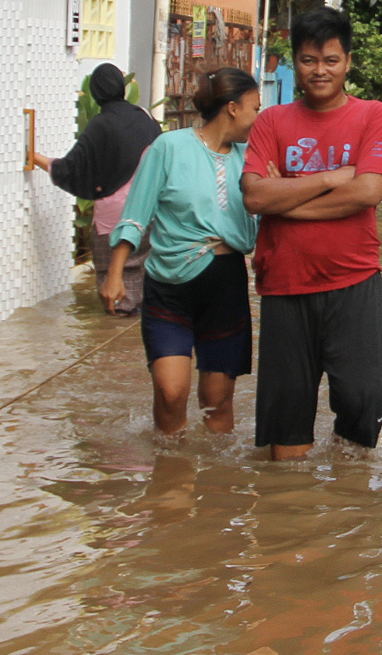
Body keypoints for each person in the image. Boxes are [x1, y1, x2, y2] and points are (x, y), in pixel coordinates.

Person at [241, 7, 382, 458]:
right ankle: (292, 503)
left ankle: (345, 498)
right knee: (286, 430)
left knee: (362, 406)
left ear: (348, 62)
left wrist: (286, 201)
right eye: (308, 60)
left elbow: (367, 191)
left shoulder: (374, 116)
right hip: (284, 283)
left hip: (354, 280)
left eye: (330, 60)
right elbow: (254, 196)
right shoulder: (271, 121)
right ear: (295, 63)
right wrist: (331, 177)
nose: (319, 70)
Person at [101, 68, 259, 436]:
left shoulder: (250, 159)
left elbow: (265, 219)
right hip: (169, 288)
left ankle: (212, 470)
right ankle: (169, 466)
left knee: (217, 402)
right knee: (171, 393)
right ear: (233, 108)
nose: (258, 117)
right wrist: (114, 275)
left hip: (226, 290)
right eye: (255, 108)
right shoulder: (168, 148)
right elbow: (136, 214)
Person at [33, 62, 161, 312]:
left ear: (95, 92)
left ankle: (115, 325)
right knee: (142, 276)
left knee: (111, 284)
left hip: (112, 218)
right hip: (149, 212)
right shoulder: (145, 116)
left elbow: (71, 169)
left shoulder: (100, 125)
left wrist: (33, 157)